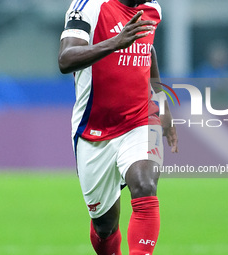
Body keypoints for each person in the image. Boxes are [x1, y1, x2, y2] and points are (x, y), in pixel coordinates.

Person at [58, 0, 178, 254]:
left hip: (141, 120)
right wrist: (115, 42)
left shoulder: (153, 8)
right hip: (93, 131)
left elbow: (148, 50)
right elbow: (65, 59)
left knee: (145, 185)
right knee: (105, 226)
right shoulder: (88, 6)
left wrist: (162, 102)